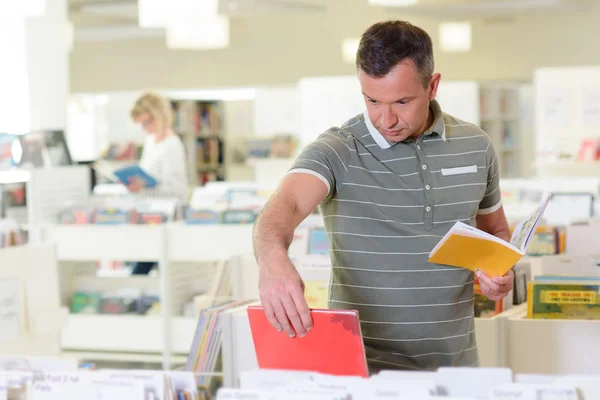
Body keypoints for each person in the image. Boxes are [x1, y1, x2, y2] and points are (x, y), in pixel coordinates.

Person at [252, 20, 514, 373]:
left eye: (402, 101)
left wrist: (499, 274)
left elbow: (495, 232)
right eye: (372, 100)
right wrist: (271, 260)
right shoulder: (338, 148)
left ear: (433, 85)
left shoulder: (475, 145)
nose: (385, 119)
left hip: (457, 367)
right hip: (363, 371)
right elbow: (284, 206)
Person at [129, 92, 189, 274]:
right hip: (149, 215)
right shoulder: (150, 142)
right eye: (141, 124)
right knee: (144, 268)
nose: (145, 128)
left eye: (147, 122)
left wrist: (145, 189)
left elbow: (178, 192)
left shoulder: (172, 145)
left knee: (147, 271)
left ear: (160, 116)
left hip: (167, 218)